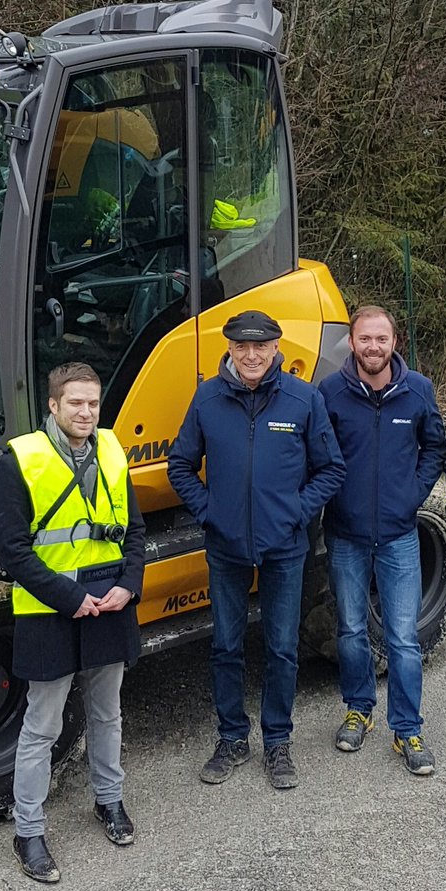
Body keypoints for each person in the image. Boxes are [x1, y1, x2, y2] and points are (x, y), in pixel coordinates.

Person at [167, 310, 345, 789]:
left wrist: (295, 512)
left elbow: (331, 469)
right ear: (229, 349)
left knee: (282, 647)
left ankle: (278, 741)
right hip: (225, 546)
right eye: (241, 347)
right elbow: (180, 465)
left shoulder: (303, 398)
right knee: (226, 646)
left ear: (275, 349)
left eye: (260, 346)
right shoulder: (208, 398)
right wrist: (210, 512)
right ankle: (231, 738)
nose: (251, 355)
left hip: (285, 546)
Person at [0, 361, 147, 883]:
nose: (86, 412)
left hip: (110, 601)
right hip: (51, 609)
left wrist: (130, 584)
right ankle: (29, 831)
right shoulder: (21, 459)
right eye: (75, 402)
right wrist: (70, 598)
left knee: (108, 714)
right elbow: (13, 551)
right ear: (53, 405)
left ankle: (109, 800)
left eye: (93, 403)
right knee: (43, 726)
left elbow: (135, 530)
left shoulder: (113, 449)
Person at [317, 306, 446, 775]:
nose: (373, 346)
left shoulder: (418, 390)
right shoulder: (330, 392)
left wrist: (413, 495)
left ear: (395, 342)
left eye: (381, 338)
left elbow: (435, 447)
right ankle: (359, 710)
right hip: (346, 535)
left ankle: (407, 729)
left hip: (399, 536)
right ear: (351, 342)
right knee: (351, 630)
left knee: (403, 638)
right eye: (364, 338)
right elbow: (318, 454)